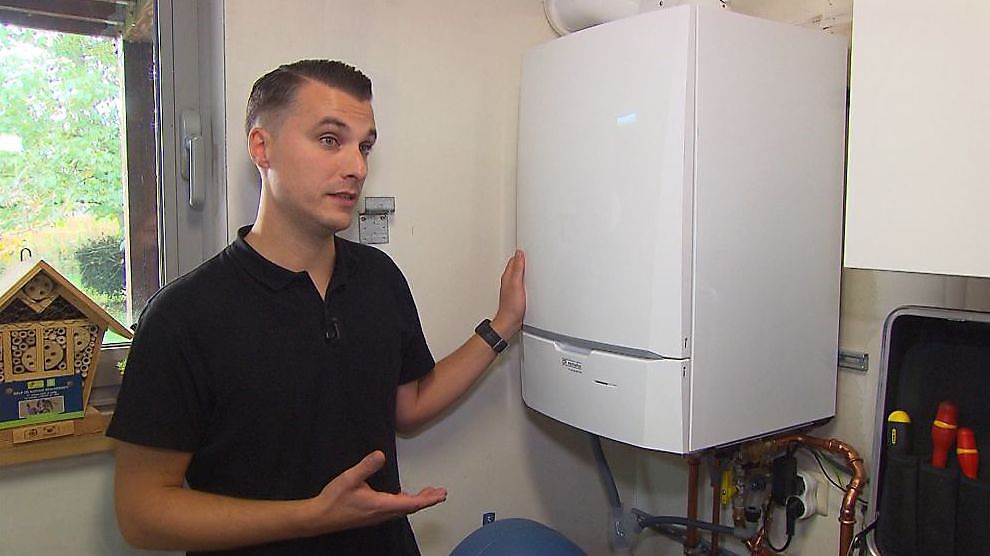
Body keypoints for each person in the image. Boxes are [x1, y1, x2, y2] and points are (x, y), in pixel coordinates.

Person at [107, 59, 526, 555]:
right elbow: (141, 514)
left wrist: (502, 325)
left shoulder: (378, 278)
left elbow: (409, 405)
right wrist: (311, 518)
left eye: (364, 146)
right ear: (262, 147)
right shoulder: (183, 317)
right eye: (330, 140)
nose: (357, 167)